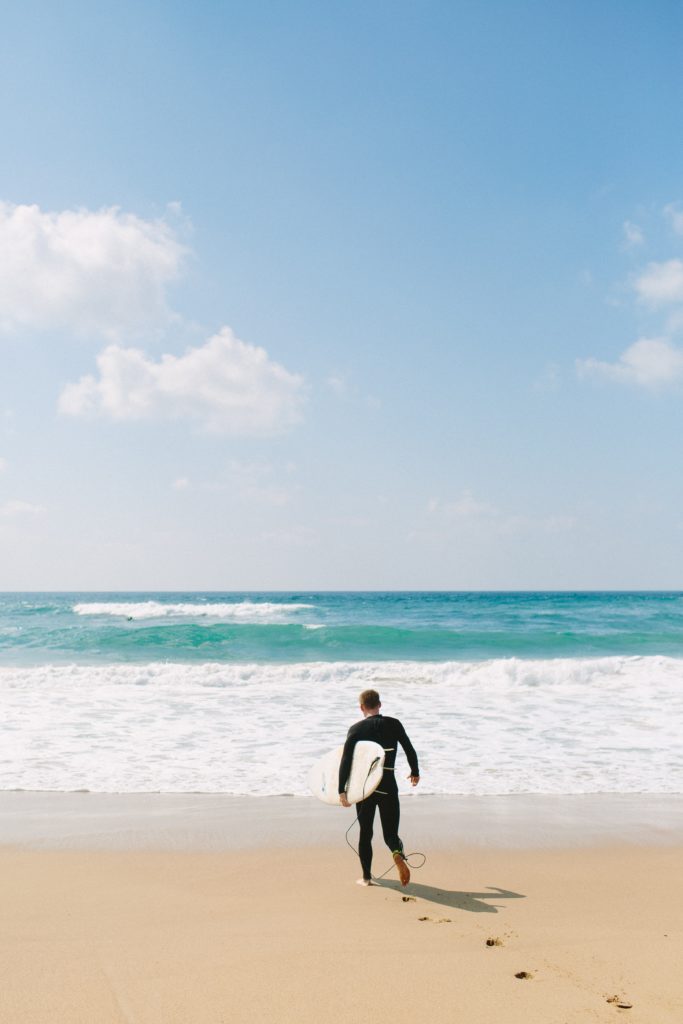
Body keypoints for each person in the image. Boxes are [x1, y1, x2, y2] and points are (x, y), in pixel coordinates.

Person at [338, 688, 419, 887]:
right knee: (390, 833)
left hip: (365, 787)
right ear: (380, 705)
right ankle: (397, 853)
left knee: (365, 833)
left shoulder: (356, 729)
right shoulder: (394, 724)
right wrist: (415, 771)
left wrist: (342, 790)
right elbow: (409, 748)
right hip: (388, 784)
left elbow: (346, 760)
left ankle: (366, 877)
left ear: (361, 708)